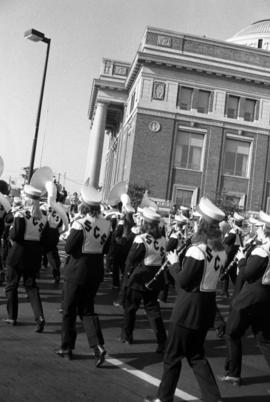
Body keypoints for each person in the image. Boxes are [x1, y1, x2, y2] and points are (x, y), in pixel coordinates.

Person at [145, 197, 227, 402]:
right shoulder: (221, 252)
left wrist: (173, 263)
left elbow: (182, 281)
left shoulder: (197, 251)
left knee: (172, 357)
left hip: (188, 311)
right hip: (205, 310)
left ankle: (164, 398)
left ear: (202, 225)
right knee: (196, 356)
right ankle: (213, 397)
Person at [56, 182, 111, 366]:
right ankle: (98, 346)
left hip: (77, 270)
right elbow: (106, 249)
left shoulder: (80, 223)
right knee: (87, 309)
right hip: (95, 270)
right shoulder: (107, 224)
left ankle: (66, 347)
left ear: (84, 206)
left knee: (69, 310)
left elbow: (70, 248)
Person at [219, 210, 270, 386]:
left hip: (250, 297)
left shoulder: (262, 251)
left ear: (264, 228)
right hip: (265, 298)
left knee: (232, 333)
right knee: (264, 340)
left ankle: (233, 374)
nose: (256, 230)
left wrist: (241, 259)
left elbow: (247, 273)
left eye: (258, 227)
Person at [121, 207, 167, 353]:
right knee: (153, 310)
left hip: (140, 277)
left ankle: (127, 335)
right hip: (155, 276)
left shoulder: (141, 239)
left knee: (131, 307)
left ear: (146, 224)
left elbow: (130, 260)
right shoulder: (162, 239)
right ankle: (162, 341)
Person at [4, 185, 48, 332]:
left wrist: (11, 230)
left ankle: (12, 316)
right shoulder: (43, 216)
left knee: (11, 285)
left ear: (28, 199)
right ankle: (40, 317)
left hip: (18, 253)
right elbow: (45, 238)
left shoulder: (21, 214)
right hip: (34, 254)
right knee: (31, 287)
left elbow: (16, 235)